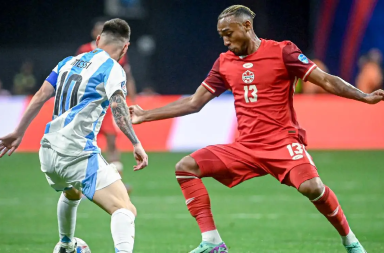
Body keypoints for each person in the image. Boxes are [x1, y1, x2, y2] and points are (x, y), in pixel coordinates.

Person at [129, 5, 384, 253]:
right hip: (246, 148)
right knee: (186, 167)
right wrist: (145, 115)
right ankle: (212, 242)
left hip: (282, 143)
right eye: (222, 36)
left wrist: (364, 97)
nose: (225, 41)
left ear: (247, 26)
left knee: (312, 188)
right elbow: (194, 102)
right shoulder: (224, 63)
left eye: (228, 34)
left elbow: (326, 80)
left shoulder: (283, 51)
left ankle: (350, 241)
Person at [0, 19, 148, 253]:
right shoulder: (112, 68)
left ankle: (66, 245)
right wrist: (136, 143)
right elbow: (119, 109)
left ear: (98, 40)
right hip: (76, 152)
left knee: (72, 191)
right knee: (125, 210)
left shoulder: (67, 62)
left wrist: (18, 133)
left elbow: (39, 96)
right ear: (126, 47)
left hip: (48, 152)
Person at [77, 18, 137, 193]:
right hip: (86, 106)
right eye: (98, 31)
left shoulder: (118, 52)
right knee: (82, 144)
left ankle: (117, 183)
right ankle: (81, 182)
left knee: (112, 143)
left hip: (107, 105)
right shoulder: (84, 50)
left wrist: (131, 98)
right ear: (95, 35)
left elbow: (127, 75)